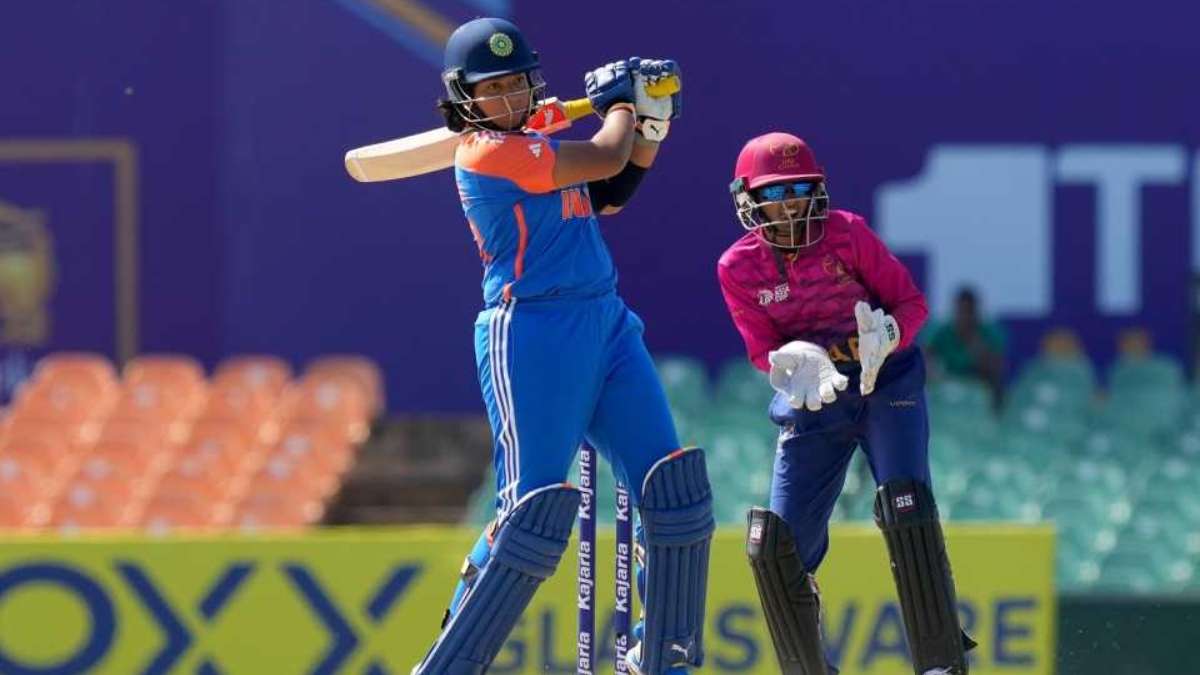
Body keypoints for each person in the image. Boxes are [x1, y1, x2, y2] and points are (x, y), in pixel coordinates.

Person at [412, 17, 713, 675]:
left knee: (673, 493)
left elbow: (611, 191)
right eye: (492, 88)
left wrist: (649, 126)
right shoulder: (485, 154)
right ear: (463, 96)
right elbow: (604, 155)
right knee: (530, 516)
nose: (509, 97)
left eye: (516, 82)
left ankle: (659, 654)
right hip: (533, 332)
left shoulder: (537, 144)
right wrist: (623, 105)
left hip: (605, 320)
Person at [716, 132, 975, 674]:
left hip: (886, 383)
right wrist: (793, 358)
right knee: (777, 545)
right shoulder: (738, 268)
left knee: (906, 504)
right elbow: (762, 352)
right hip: (816, 395)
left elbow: (911, 303)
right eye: (775, 193)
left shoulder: (848, 234)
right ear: (749, 200)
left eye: (799, 189)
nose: (791, 204)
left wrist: (889, 334)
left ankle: (941, 664)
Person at [925, 286, 1006, 406]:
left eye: (968, 311)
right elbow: (925, 356)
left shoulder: (988, 333)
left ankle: (995, 415)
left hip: (978, 383)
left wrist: (972, 341)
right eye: (961, 311)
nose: (964, 316)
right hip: (947, 382)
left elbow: (996, 367)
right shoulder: (943, 332)